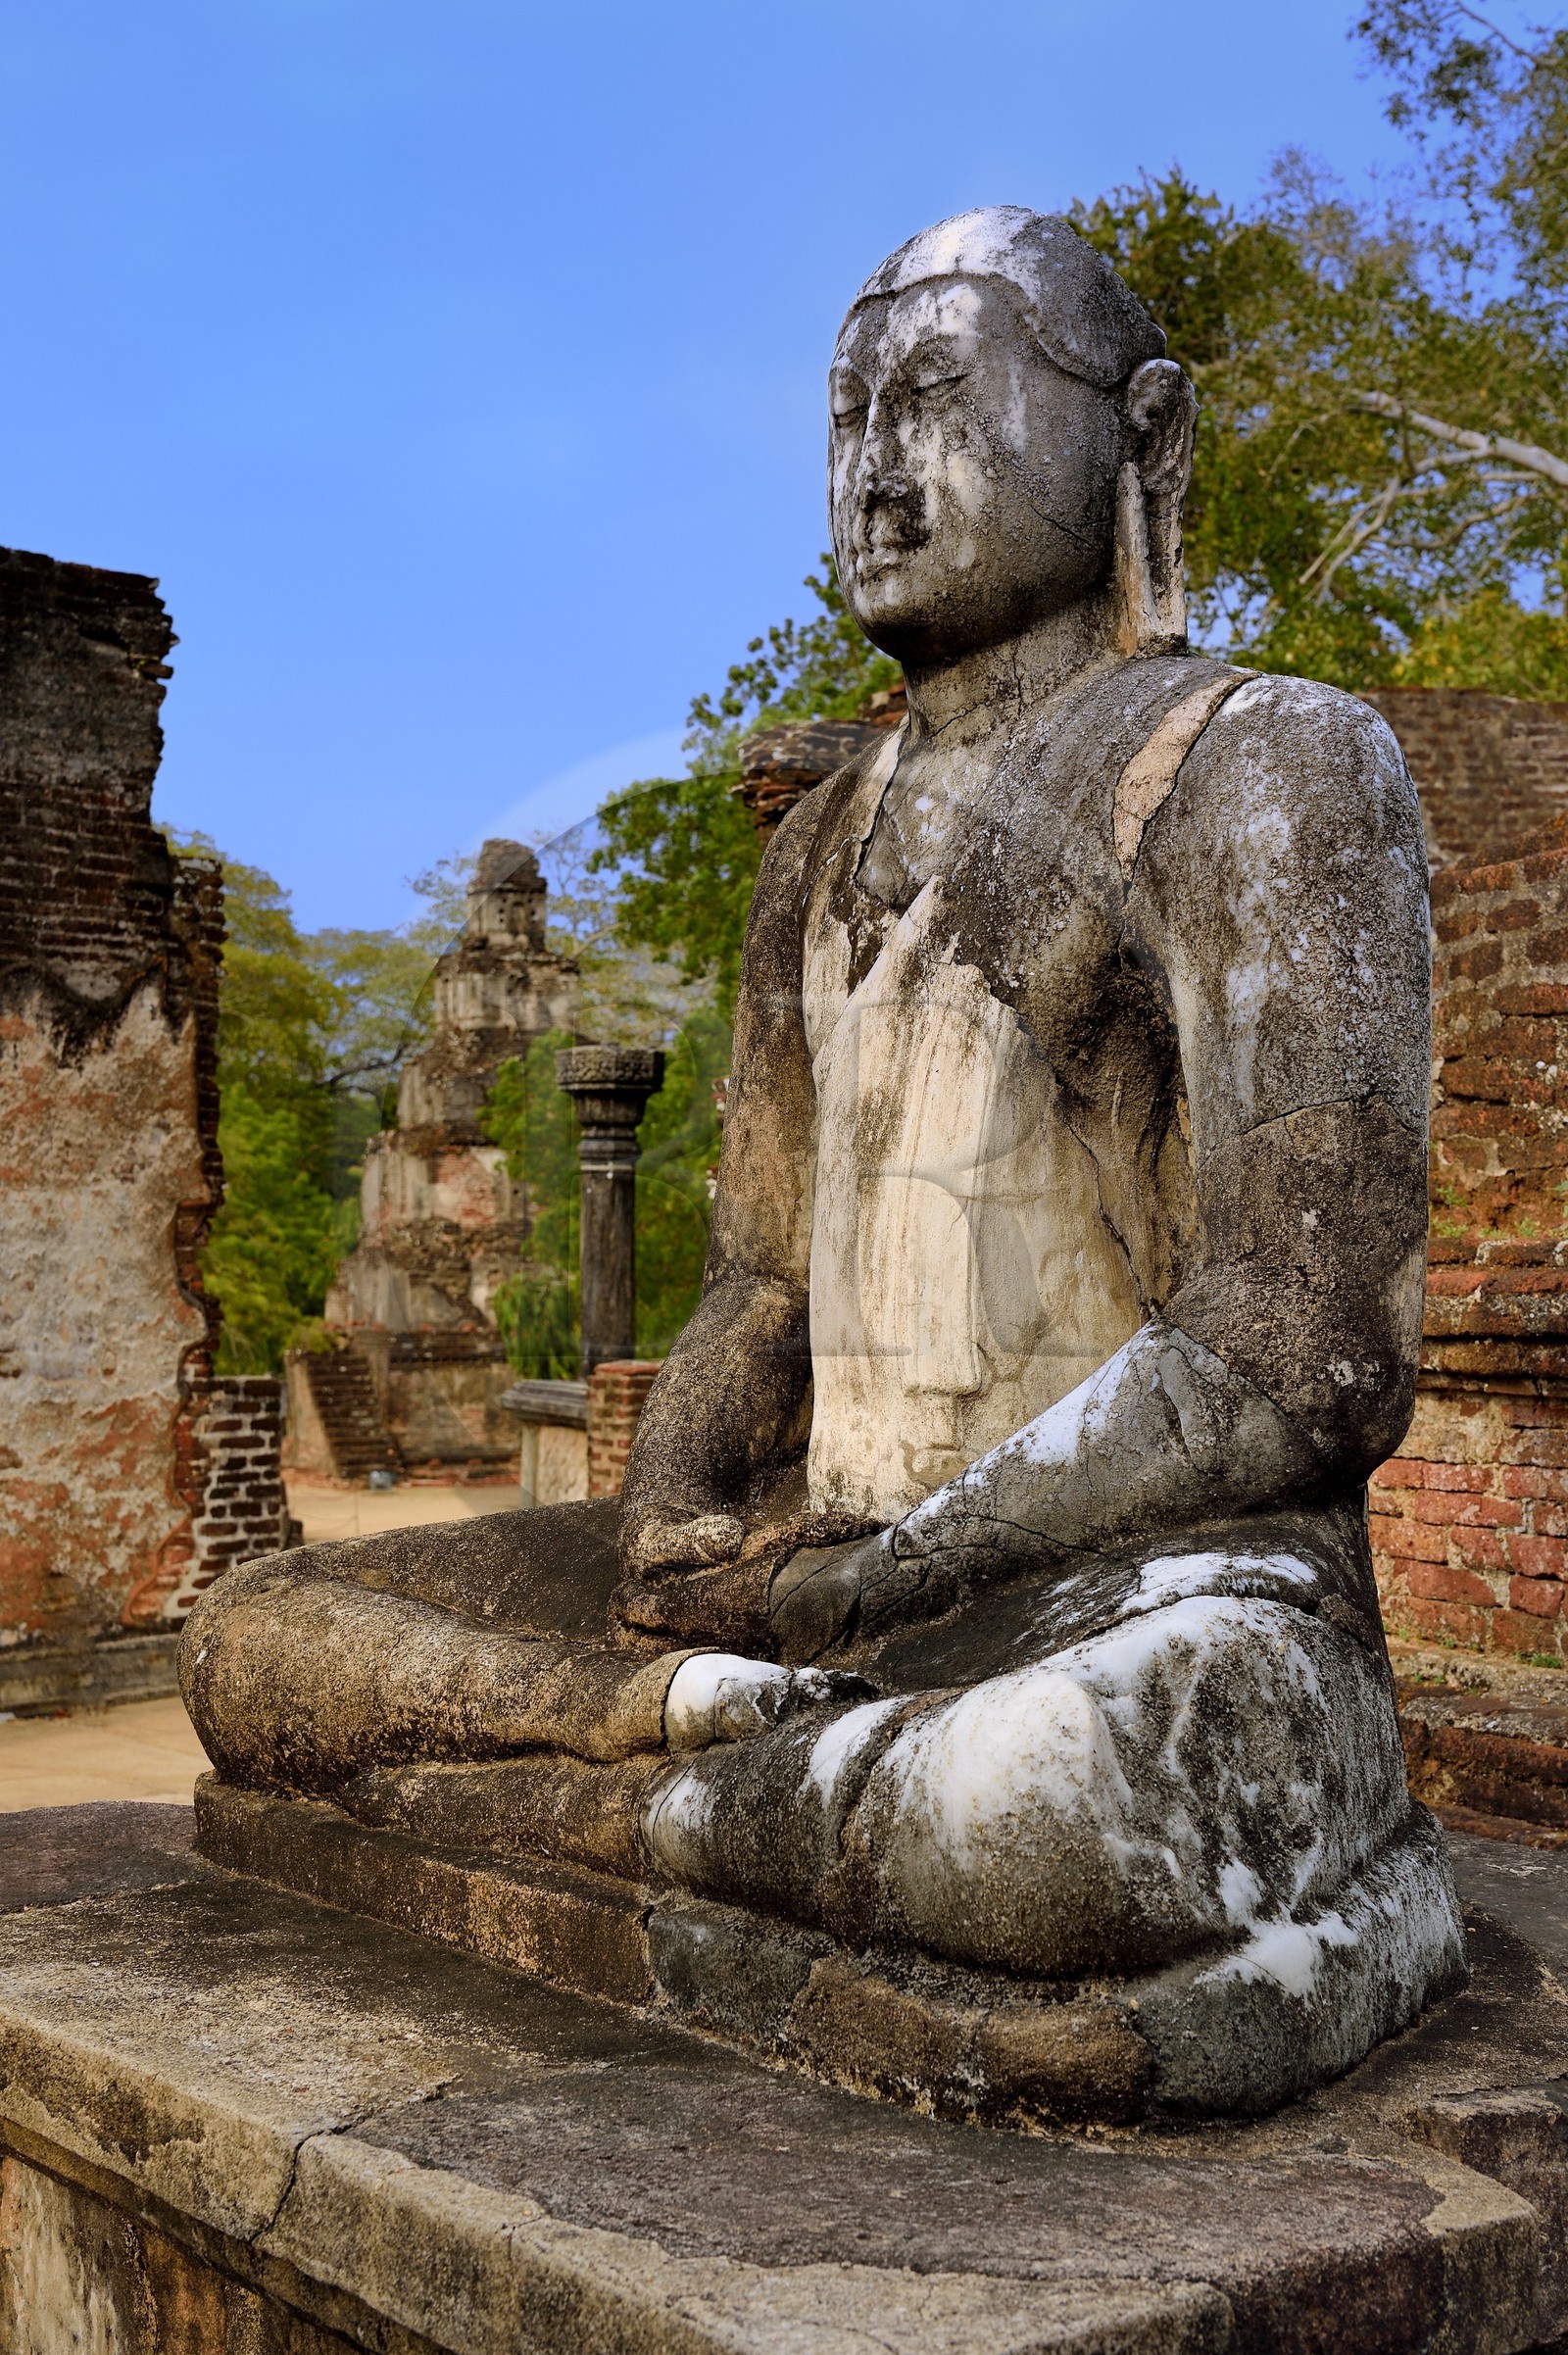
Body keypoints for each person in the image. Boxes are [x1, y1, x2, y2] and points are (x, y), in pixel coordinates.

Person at [184, 210, 1463, 2104]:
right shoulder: (816, 850)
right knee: (253, 1643)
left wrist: (908, 1571)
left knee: (1040, 1806)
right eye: (846, 414)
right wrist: (682, 1516)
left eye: (938, 400)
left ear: (1146, 441)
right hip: (810, 1586)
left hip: (1146, 1590)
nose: (876, 469)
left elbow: (1304, 1346)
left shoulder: (1263, 764)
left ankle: (631, 1775)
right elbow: (767, 1284)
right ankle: (714, 1755)